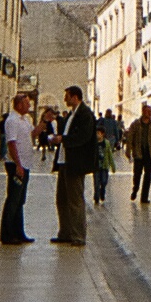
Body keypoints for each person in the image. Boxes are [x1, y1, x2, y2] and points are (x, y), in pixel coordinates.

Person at [49, 85, 97, 245]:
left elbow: (83, 137)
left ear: (75, 97)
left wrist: (63, 139)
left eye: (67, 96)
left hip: (75, 163)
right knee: (62, 199)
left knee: (75, 201)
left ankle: (78, 235)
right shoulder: (71, 114)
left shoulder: (85, 115)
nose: (65, 99)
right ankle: (65, 232)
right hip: (64, 161)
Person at [0, 92, 47, 245]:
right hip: (16, 165)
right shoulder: (12, 120)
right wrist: (18, 165)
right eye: (27, 103)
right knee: (13, 199)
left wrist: (44, 122)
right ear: (19, 104)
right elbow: (11, 143)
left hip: (25, 164)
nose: (29, 106)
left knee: (20, 200)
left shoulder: (25, 120)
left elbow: (32, 134)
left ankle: (19, 232)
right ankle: (7, 234)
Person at [125, 103, 151, 204]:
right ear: (143, 112)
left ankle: (144, 197)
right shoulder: (136, 124)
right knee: (137, 174)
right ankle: (135, 189)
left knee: (148, 175)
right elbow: (130, 138)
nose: (149, 113)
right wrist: (128, 150)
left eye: (150, 112)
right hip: (138, 153)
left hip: (149, 153)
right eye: (147, 111)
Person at [92, 128, 115, 205]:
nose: (97, 135)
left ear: (102, 134)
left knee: (104, 181)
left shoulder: (106, 143)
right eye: (96, 133)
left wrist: (112, 166)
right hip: (96, 166)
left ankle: (102, 192)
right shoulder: (94, 143)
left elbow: (110, 155)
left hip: (104, 167)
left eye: (98, 133)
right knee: (96, 183)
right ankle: (96, 197)